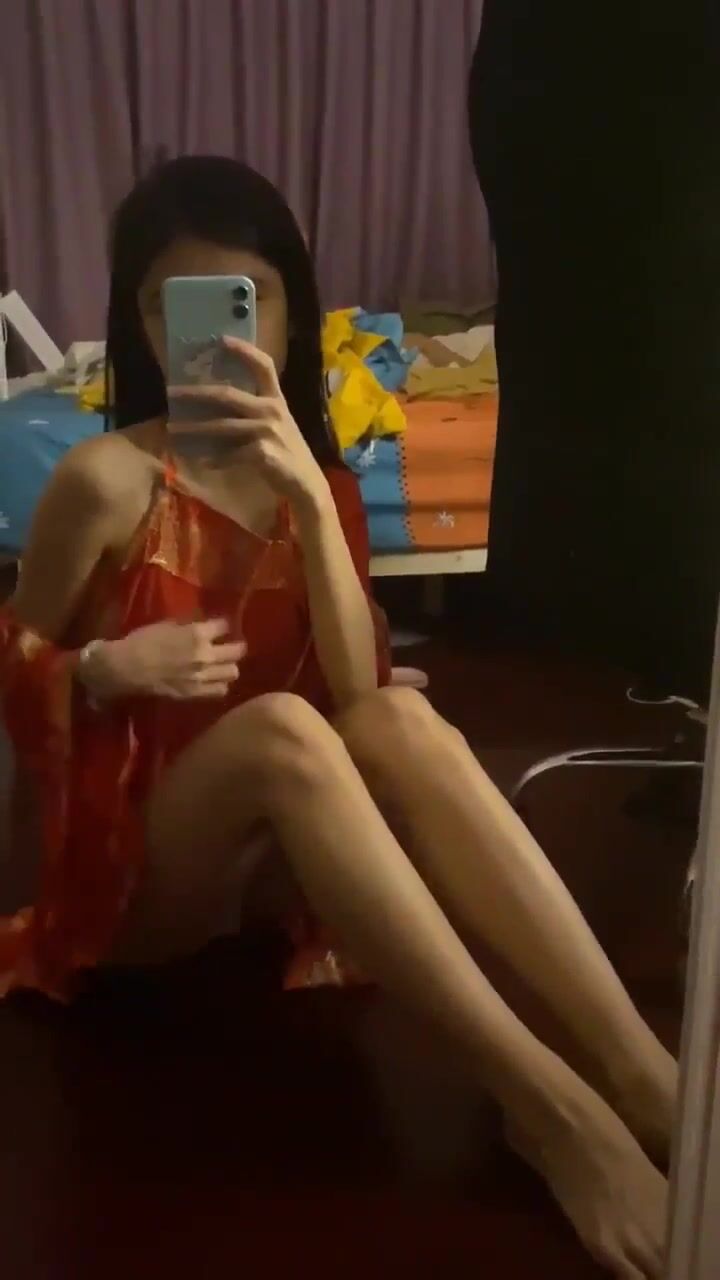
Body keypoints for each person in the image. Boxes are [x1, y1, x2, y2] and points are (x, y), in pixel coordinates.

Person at [0, 156, 672, 1278]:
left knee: (399, 724)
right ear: (142, 323)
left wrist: (311, 501)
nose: (216, 337)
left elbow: (362, 697)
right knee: (285, 730)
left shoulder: (321, 481)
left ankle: (643, 1075)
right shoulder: (105, 480)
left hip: (271, 868)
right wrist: (103, 667)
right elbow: (8, 661)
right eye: (174, 307)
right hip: (131, 881)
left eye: (247, 302)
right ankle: (552, 1111)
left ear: (291, 312)